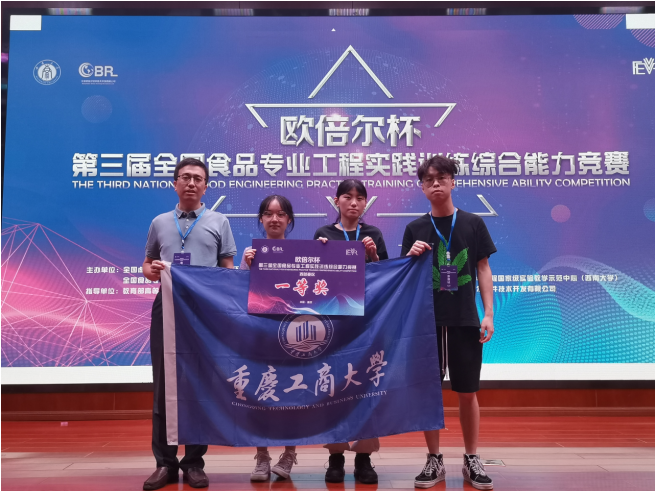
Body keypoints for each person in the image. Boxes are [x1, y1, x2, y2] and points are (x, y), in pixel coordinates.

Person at [401, 156, 496, 490]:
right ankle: (434, 459)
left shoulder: (472, 223)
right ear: (422, 187)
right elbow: (405, 277)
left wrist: (488, 313)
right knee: (429, 392)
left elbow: (483, 268)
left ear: (453, 182)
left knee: (468, 392)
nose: (436, 184)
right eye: (428, 180)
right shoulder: (415, 229)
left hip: (465, 319)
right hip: (426, 322)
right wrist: (410, 256)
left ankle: (472, 458)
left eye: (442, 177)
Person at [142, 158, 236, 490]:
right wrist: (152, 270)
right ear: (175, 183)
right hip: (166, 307)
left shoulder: (219, 221)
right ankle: (164, 464)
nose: (191, 183)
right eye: (185, 177)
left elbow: (227, 268)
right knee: (163, 384)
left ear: (206, 186)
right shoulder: (159, 222)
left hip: (204, 312)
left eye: (198, 178)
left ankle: (194, 463)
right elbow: (147, 264)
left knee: (199, 384)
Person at [313, 179, 388, 485]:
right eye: (347, 197)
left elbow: (386, 277)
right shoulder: (324, 234)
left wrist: (373, 256)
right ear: (337, 201)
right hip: (334, 323)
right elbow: (312, 278)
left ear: (365, 203)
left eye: (360, 198)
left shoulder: (373, 234)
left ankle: (364, 458)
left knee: (366, 386)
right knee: (333, 388)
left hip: (367, 323)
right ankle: (335, 457)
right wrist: (318, 254)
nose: (354, 202)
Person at [239, 195, 300, 482]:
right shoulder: (251, 254)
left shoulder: (303, 254)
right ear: (261, 219)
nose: (274, 219)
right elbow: (237, 292)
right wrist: (245, 266)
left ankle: (289, 454)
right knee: (260, 393)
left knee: (294, 393)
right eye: (268, 213)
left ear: (289, 219)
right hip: (260, 334)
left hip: (293, 334)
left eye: (281, 214)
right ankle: (262, 456)